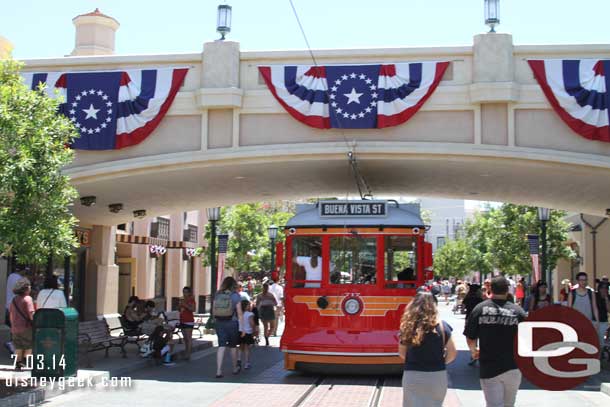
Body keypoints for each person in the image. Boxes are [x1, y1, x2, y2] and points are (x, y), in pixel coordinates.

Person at [465, 276, 527, 407]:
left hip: (489, 366)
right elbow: (527, 339)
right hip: (513, 366)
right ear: (507, 290)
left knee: (493, 404)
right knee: (509, 404)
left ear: (490, 289)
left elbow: (470, 336)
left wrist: (474, 351)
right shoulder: (518, 312)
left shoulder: (479, 309)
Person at [398, 292, 457, 407]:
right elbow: (453, 352)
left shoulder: (407, 327)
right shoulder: (443, 326)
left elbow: (402, 352)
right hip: (436, 375)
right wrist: (441, 363)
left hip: (413, 374)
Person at [214, 276, 243, 378]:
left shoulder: (218, 294)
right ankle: (234, 368)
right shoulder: (235, 295)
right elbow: (239, 313)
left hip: (219, 322)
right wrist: (242, 327)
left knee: (221, 346)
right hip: (232, 322)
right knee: (233, 346)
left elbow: (214, 309)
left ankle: (218, 371)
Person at [9, 278, 35, 371]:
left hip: (15, 328)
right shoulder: (28, 299)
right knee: (28, 345)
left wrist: (13, 326)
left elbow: (11, 314)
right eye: (29, 286)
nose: (30, 287)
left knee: (18, 346)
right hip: (26, 327)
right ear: (26, 288)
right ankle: (24, 361)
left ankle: (18, 363)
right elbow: (31, 314)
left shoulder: (14, 299)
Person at [179, 286, 196, 361]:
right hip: (182, 320)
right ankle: (186, 351)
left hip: (189, 321)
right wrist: (180, 307)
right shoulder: (182, 300)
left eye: (186, 292)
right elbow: (179, 309)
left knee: (188, 338)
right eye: (183, 292)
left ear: (189, 293)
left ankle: (188, 354)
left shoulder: (191, 300)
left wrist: (185, 305)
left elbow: (193, 309)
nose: (185, 293)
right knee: (185, 338)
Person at [238, 299, 256, 369]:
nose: (250, 306)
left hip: (240, 331)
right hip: (248, 332)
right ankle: (247, 363)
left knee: (241, 346)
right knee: (247, 348)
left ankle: (239, 359)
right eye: (249, 305)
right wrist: (254, 331)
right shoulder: (250, 314)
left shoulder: (239, 314)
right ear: (246, 306)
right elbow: (252, 323)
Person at [595, 282, 609, 354]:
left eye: (606, 288)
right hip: (594, 321)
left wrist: (606, 299)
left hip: (604, 321)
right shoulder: (595, 296)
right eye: (602, 288)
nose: (604, 290)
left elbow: (609, 310)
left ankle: (602, 355)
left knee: (602, 342)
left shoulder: (608, 297)